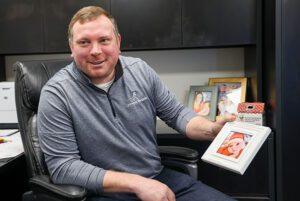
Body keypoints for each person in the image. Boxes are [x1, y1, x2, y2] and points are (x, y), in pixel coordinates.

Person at [37, 6, 237, 201]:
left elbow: (176, 114)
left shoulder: (140, 70)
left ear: (118, 42)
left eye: (104, 40)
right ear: (72, 48)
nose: (95, 51)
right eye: (84, 42)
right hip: (104, 192)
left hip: (159, 180)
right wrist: (136, 183)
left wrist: (212, 130)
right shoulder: (56, 94)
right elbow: (64, 167)